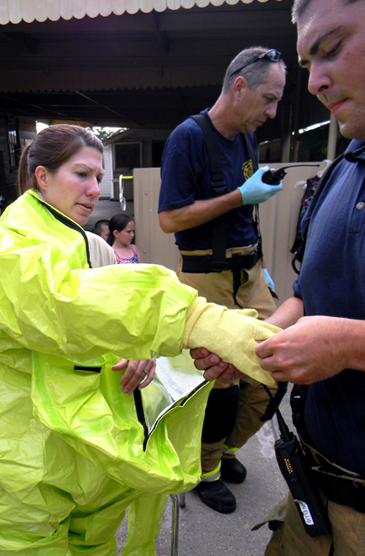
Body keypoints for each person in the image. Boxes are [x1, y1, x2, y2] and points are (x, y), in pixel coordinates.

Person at [0, 123, 281, 555]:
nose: (95, 189)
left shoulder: (94, 247)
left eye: (98, 176)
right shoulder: (11, 245)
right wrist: (193, 319)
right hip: (27, 467)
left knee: (97, 545)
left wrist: (141, 351)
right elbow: (56, 303)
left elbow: (109, 320)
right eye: (81, 174)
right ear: (42, 177)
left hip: (96, 454)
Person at [193, 0, 365, 552]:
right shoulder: (343, 168)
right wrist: (252, 338)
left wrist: (349, 345)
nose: (315, 82)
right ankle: (209, 467)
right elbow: (315, 293)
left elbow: (336, 326)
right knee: (222, 387)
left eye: (331, 48)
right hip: (317, 486)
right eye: (308, 61)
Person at [158, 46, 286, 513]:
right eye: (268, 99)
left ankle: (227, 448)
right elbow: (170, 219)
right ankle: (205, 469)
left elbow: (243, 207)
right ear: (239, 88)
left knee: (274, 371)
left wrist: (262, 263)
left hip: (249, 269)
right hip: (206, 276)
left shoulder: (248, 140)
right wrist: (238, 196)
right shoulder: (188, 138)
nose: (272, 113)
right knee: (221, 381)